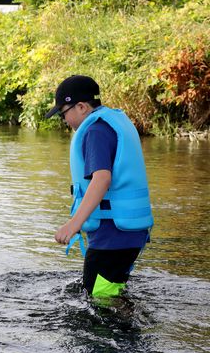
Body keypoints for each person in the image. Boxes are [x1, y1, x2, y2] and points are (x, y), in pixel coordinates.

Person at [45, 75, 153, 298]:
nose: (65, 120)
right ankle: (130, 329)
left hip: (112, 237)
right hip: (127, 234)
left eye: (64, 113)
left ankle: (131, 333)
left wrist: (73, 224)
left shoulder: (95, 131)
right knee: (109, 293)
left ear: (81, 106)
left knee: (98, 300)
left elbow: (102, 178)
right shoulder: (112, 122)